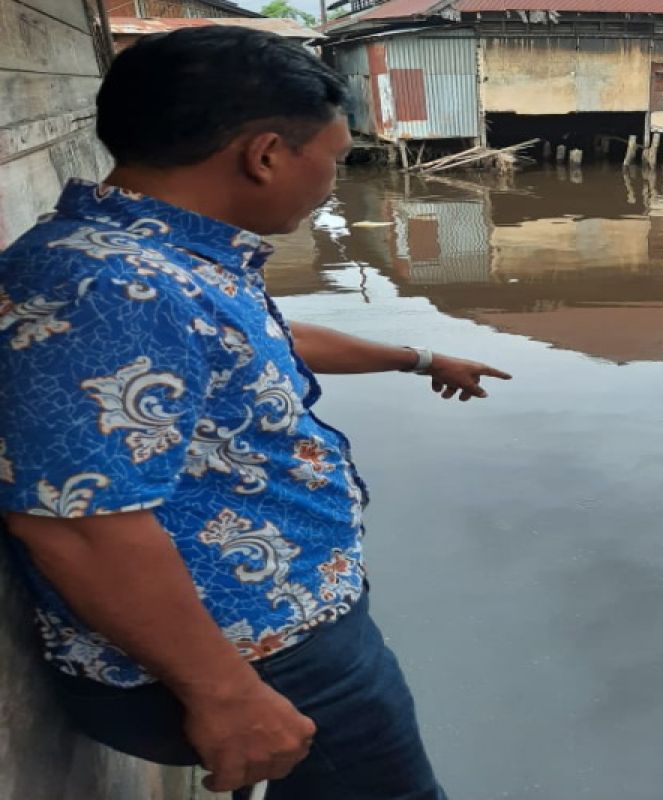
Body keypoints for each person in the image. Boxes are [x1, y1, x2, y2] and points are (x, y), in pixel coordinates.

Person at [0, 27, 511, 799]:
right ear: (265, 153)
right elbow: (76, 521)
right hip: (252, 657)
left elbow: (264, 339)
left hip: (277, 629)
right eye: (334, 159)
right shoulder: (105, 290)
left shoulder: (157, 258)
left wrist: (422, 359)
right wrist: (224, 695)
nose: (334, 182)